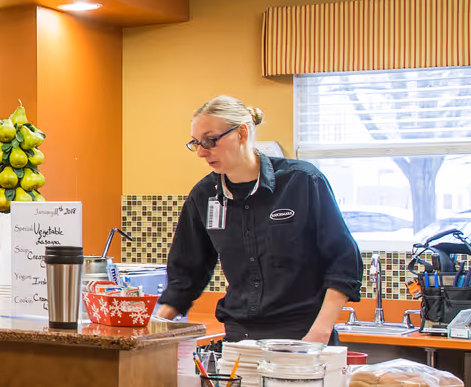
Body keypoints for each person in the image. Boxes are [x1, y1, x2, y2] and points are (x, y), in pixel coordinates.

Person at [154, 94, 362, 344]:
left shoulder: (302, 181)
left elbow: (344, 262)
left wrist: (320, 332)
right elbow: (188, 272)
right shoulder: (204, 195)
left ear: (241, 133)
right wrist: (155, 328)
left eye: (210, 141)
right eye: (196, 143)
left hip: (304, 336)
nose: (201, 152)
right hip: (240, 339)